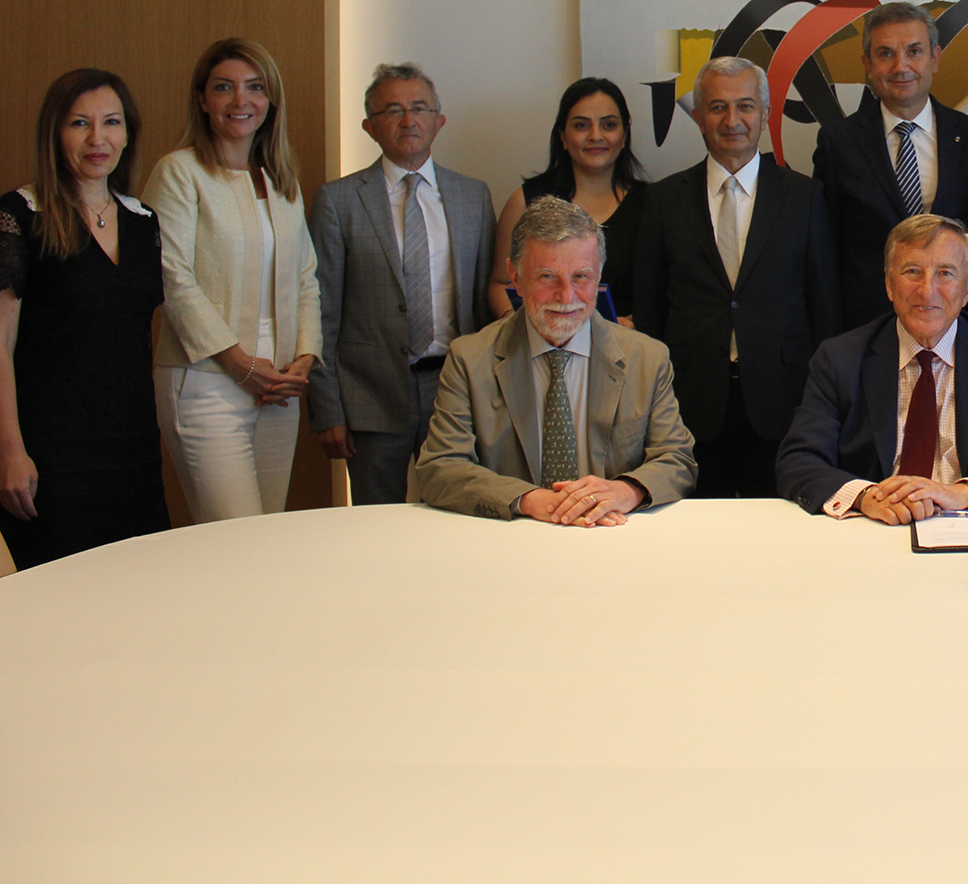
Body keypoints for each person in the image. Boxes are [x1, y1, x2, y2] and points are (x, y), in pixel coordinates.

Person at [415, 197, 695, 522]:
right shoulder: (469, 358)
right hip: (513, 534)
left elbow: (677, 460)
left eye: (581, 276)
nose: (566, 296)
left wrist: (625, 491)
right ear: (515, 277)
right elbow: (440, 468)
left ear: (599, 275)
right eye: (547, 276)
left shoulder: (646, 358)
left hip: (611, 533)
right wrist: (533, 501)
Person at [634, 57, 840, 498]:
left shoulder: (804, 197)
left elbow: (824, 306)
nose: (732, 120)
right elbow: (650, 311)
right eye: (718, 107)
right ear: (698, 117)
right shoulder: (663, 200)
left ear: (764, 115)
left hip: (783, 400)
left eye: (745, 106)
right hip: (689, 403)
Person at [774, 214, 968, 521]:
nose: (927, 290)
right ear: (888, 284)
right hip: (874, 527)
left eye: (945, 273)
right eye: (912, 271)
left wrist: (967, 493)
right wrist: (867, 497)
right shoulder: (840, 359)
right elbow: (798, 461)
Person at [144, 38, 321, 522]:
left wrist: (304, 358)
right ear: (202, 99)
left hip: (279, 384)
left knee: (266, 536)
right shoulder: (179, 172)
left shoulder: (281, 179)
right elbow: (171, 276)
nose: (241, 100)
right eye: (224, 87)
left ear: (270, 100)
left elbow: (306, 277)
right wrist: (240, 364)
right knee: (233, 538)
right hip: (206, 380)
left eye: (255, 87)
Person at [0, 70, 169, 569]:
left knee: (139, 589)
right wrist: (9, 450)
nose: (98, 139)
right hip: (50, 455)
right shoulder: (19, 215)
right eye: (79, 123)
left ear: (128, 133)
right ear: (54, 133)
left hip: (133, 451)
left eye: (111, 122)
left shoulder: (144, 221)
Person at [307, 64, 495, 505]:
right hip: (368, 395)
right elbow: (321, 312)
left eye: (419, 108)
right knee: (376, 522)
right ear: (369, 127)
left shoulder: (473, 196)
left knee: (459, 511)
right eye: (392, 110)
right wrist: (326, 408)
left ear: (439, 121)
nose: (408, 120)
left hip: (454, 386)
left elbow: (484, 307)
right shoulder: (337, 201)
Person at [812, 1, 968, 330]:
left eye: (914, 51)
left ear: (935, 58)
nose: (901, 66)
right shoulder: (838, 143)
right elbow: (826, 252)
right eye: (885, 54)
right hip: (867, 326)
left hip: (956, 323)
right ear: (867, 64)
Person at [488, 78, 648, 325]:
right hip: (541, 343)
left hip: (629, 342)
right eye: (581, 125)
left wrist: (640, 323)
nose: (596, 136)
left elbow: (668, 287)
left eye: (609, 125)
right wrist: (515, 322)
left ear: (624, 135)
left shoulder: (654, 204)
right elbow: (501, 283)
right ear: (562, 135)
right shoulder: (525, 202)